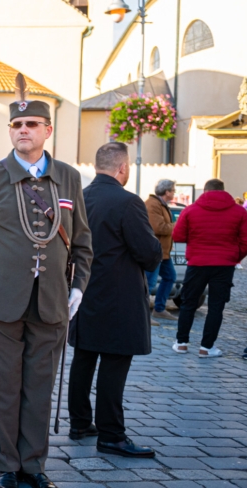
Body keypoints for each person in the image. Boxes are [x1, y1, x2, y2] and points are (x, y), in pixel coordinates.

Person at [0, 77, 93, 488]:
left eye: (33, 124)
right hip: (0, 300)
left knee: (39, 386)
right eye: (18, 125)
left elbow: (83, 241)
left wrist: (79, 288)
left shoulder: (68, 178)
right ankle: (7, 467)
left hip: (52, 300)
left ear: (47, 131)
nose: (24, 131)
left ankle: (34, 465)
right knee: (2, 386)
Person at [68, 143, 162, 458]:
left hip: (81, 292)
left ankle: (80, 422)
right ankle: (111, 434)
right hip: (118, 298)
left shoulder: (78, 199)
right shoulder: (127, 202)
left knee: (83, 359)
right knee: (114, 363)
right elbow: (149, 255)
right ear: (122, 168)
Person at [171, 178, 247, 357]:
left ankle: (182, 343)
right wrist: (235, 256)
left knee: (188, 303)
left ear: (205, 191)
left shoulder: (190, 210)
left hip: (197, 263)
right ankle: (206, 348)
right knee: (216, 306)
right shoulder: (239, 212)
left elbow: (177, 236)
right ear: (224, 191)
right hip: (224, 265)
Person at [144, 179, 177, 321]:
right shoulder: (153, 205)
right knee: (149, 283)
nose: (174, 193)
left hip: (163, 252)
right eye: (173, 190)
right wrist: (176, 225)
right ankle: (143, 314)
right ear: (167, 192)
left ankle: (159, 308)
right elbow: (159, 228)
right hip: (154, 251)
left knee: (170, 277)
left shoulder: (162, 205)